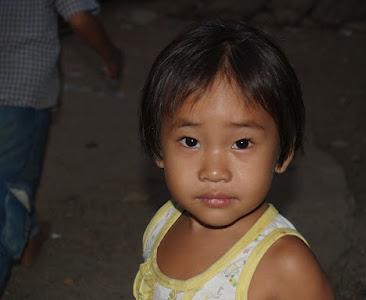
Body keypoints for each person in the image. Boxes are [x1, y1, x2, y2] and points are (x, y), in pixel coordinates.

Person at [134, 20, 334, 299]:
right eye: (190, 142)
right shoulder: (163, 223)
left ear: (283, 153)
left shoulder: (286, 265)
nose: (214, 172)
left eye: (242, 143)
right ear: (158, 149)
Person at [0, 0, 122, 294]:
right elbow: (79, 18)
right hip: (22, 91)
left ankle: (29, 238)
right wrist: (111, 55)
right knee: (11, 190)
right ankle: (17, 242)